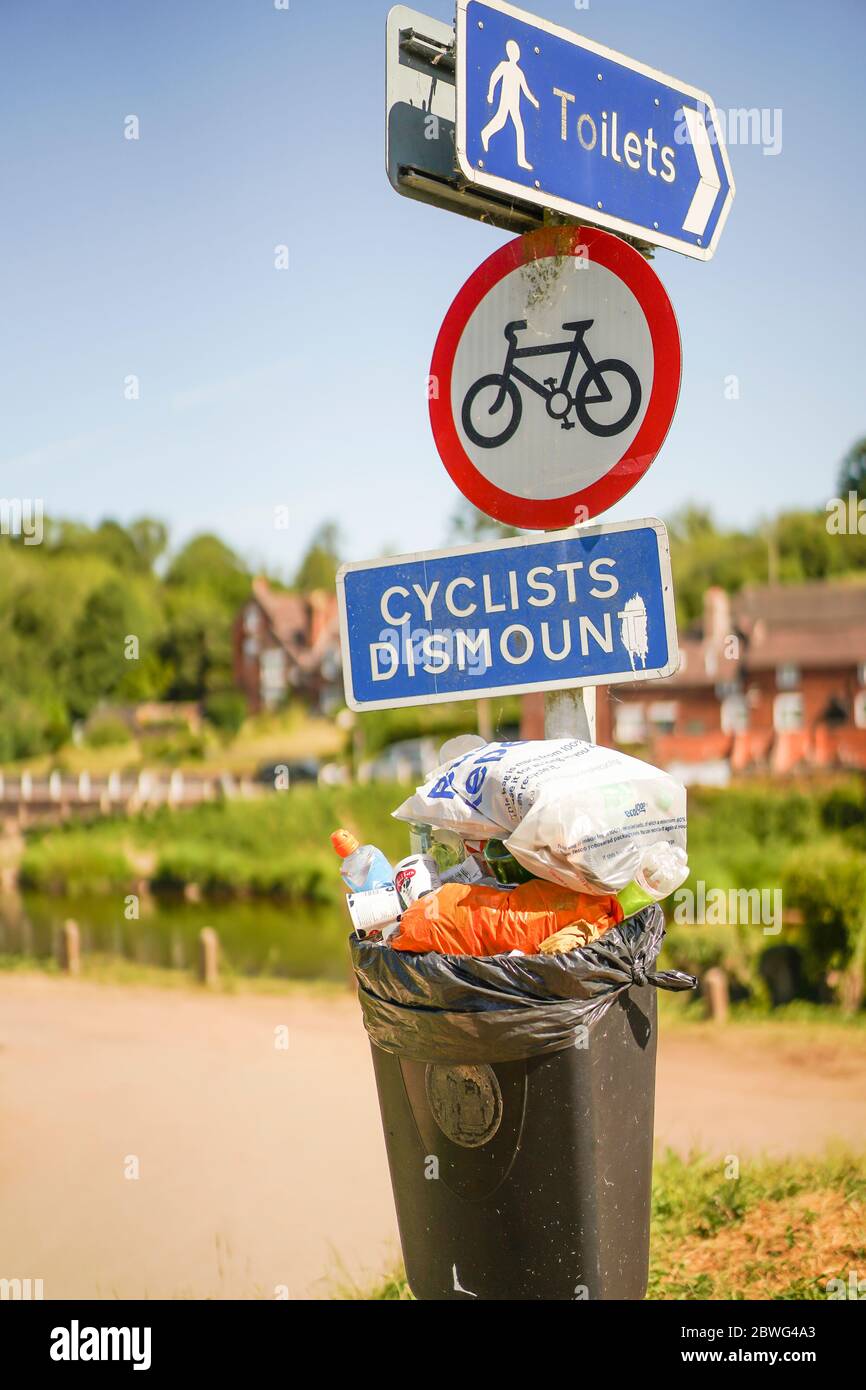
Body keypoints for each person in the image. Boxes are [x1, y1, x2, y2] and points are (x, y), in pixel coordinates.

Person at [481, 39, 540, 171]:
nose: (516, 54)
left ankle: (521, 159)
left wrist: (534, 101)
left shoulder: (519, 72)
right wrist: (490, 94)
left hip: (514, 105)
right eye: (513, 51)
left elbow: (525, 90)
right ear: (508, 52)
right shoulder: (504, 65)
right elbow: (494, 78)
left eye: (517, 52)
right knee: (501, 122)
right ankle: (485, 134)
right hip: (505, 100)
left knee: (517, 127)